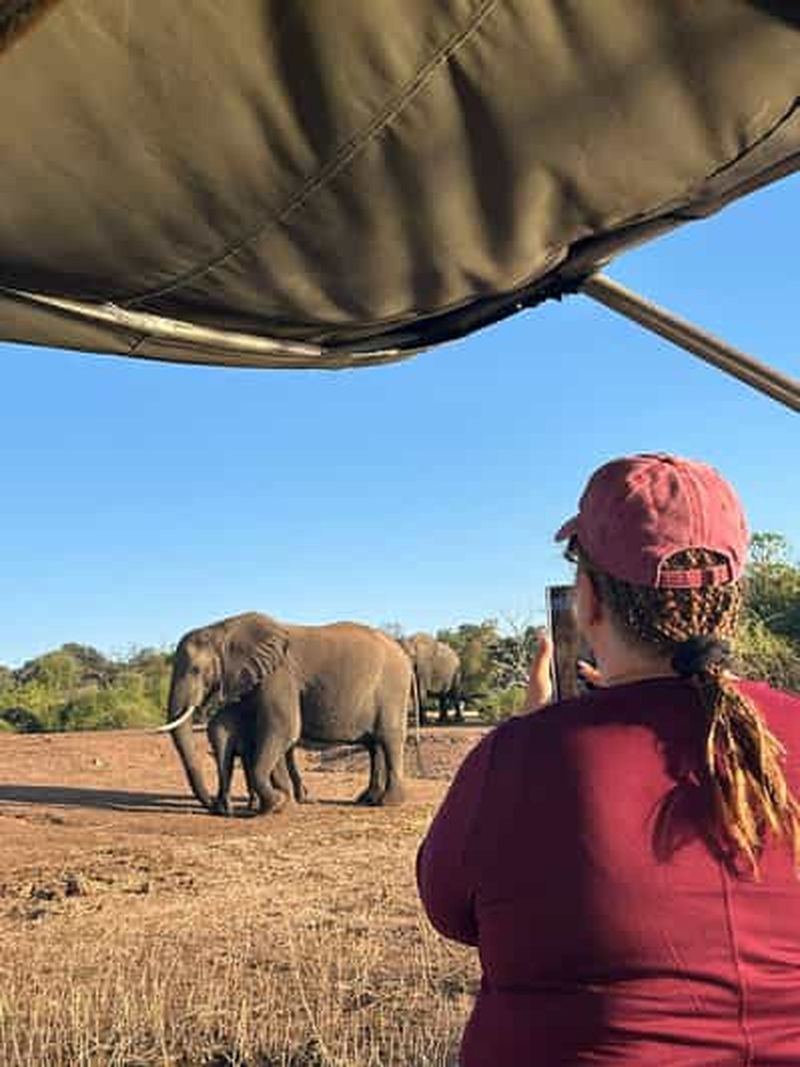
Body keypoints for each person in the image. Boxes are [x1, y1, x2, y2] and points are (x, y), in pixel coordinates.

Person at [416, 452, 800, 1066]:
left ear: (587, 599)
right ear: (735, 602)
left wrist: (531, 737)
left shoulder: (519, 760)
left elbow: (451, 911)